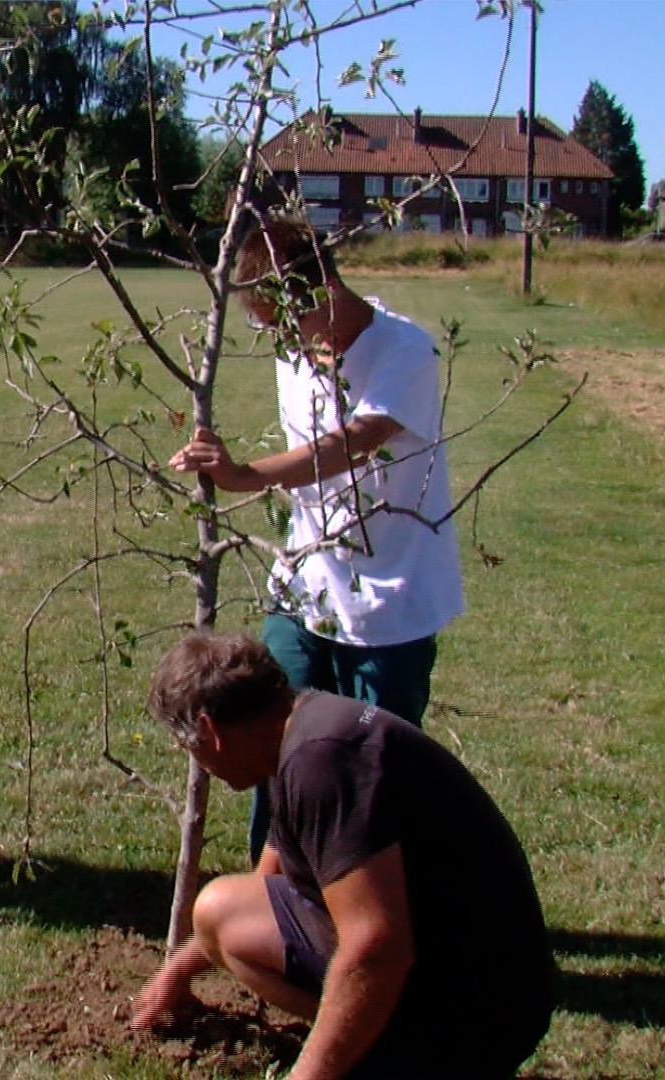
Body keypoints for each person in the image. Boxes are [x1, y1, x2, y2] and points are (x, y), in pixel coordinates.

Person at [169, 207, 464, 864]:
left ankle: (372, 922)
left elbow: (354, 444)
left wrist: (246, 476)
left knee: (372, 776)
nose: (285, 344)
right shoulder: (293, 352)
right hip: (303, 589)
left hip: (390, 606)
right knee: (266, 743)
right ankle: (277, 909)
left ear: (322, 290)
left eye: (286, 323)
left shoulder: (404, 351)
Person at [131, 633, 555, 1078]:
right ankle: (380, 1039)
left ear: (211, 733)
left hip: (484, 1008)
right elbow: (265, 889)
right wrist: (176, 975)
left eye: (190, 749)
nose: (201, 767)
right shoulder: (296, 731)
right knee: (222, 912)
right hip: (470, 970)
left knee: (240, 916)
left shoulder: (321, 766)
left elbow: (376, 947)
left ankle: (402, 1053)